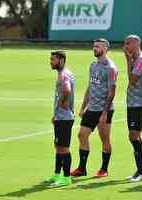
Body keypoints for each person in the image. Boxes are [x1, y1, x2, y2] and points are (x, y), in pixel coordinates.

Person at [70, 38, 118, 178]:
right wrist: (83, 107)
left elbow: (112, 92)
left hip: (104, 110)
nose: (94, 48)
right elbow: (90, 87)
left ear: (105, 48)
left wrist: (104, 113)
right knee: (81, 135)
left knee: (104, 139)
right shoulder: (93, 65)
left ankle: (104, 169)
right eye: (94, 46)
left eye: (97, 46)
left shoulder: (111, 68)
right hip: (91, 109)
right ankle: (82, 168)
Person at [123, 35, 142, 182]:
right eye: (125, 43)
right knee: (134, 136)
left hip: (139, 104)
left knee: (133, 135)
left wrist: (128, 61)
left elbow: (132, 80)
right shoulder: (136, 59)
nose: (125, 46)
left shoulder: (140, 60)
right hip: (133, 103)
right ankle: (140, 171)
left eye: (128, 43)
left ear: (136, 44)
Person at [48, 50, 75, 186]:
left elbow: (67, 90)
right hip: (61, 117)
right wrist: (56, 114)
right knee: (58, 146)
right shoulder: (63, 73)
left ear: (61, 60)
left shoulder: (64, 75)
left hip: (65, 118)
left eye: (53, 60)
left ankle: (66, 177)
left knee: (64, 148)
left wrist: (61, 103)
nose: (51, 62)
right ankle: (56, 174)